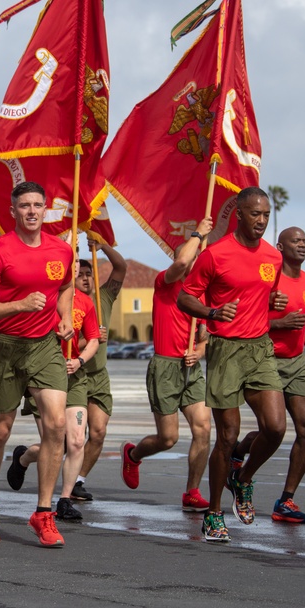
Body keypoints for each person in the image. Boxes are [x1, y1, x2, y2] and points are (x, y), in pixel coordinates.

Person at [177, 187, 288, 543]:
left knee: (275, 428)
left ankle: (243, 478)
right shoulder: (215, 254)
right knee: (226, 437)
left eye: (266, 215)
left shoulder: (273, 257)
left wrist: (275, 300)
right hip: (225, 350)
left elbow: (263, 295)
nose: (261, 220)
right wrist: (211, 312)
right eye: (255, 214)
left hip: (260, 349)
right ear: (239, 214)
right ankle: (213, 513)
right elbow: (184, 296)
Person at [0, 180, 74, 548]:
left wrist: (64, 314)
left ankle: (43, 513)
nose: (31, 211)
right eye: (24, 206)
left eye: (37, 205)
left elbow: (65, 286)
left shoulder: (62, 250)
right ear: (13, 211)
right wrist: (18, 305)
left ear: (46, 209)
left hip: (44, 345)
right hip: (5, 345)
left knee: (57, 424)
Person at [229, 227, 305, 524]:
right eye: (296, 240)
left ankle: (286, 500)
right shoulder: (266, 279)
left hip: (298, 362)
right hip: (265, 359)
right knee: (273, 431)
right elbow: (244, 318)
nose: (302, 245)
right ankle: (242, 472)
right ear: (280, 246)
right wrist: (279, 323)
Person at [120, 218, 213, 514]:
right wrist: (198, 234)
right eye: (186, 256)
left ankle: (192, 491)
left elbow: (204, 336)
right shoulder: (165, 282)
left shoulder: (201, 293)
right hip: (165, 367)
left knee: (203, 428)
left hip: (191, 369)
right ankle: (133, 454)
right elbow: (183, 260)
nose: (190, 261)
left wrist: (198, 352)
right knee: (168, 438)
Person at [7, 283, 99, 522]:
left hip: (74, 376)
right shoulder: (38, 296)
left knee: (77, 440)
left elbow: (93, 340)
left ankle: (64, 500)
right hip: (43, 374)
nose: (74, 268)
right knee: (55, 443)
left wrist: (80, 360)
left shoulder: (85, 302)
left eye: (76, 262)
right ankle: (24, 458)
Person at [72, 239, 127, 501]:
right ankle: (26, 457)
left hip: (99, 375)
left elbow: (120, 267)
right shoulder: (66, 301)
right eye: (80, 274)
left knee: (98, 432)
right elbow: (65, 345)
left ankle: (77, 480)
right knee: (70, 438)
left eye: (88, 274)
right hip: (75, 374)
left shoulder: (103, 296)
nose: (85, 278)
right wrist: (90, 340)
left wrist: (102, 246)